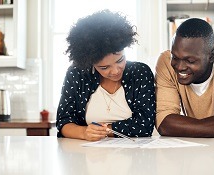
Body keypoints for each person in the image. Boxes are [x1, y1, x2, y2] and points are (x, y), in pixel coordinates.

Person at [56, 10, 156, 141]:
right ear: (90, 62)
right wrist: (84, 132)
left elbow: (145, 125)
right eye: (104, 67)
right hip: (87, 155)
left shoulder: (140, 72)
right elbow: (63, 121)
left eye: (120, 60)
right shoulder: (77, 74)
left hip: (133, 154)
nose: (115, 71)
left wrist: (105, 130)